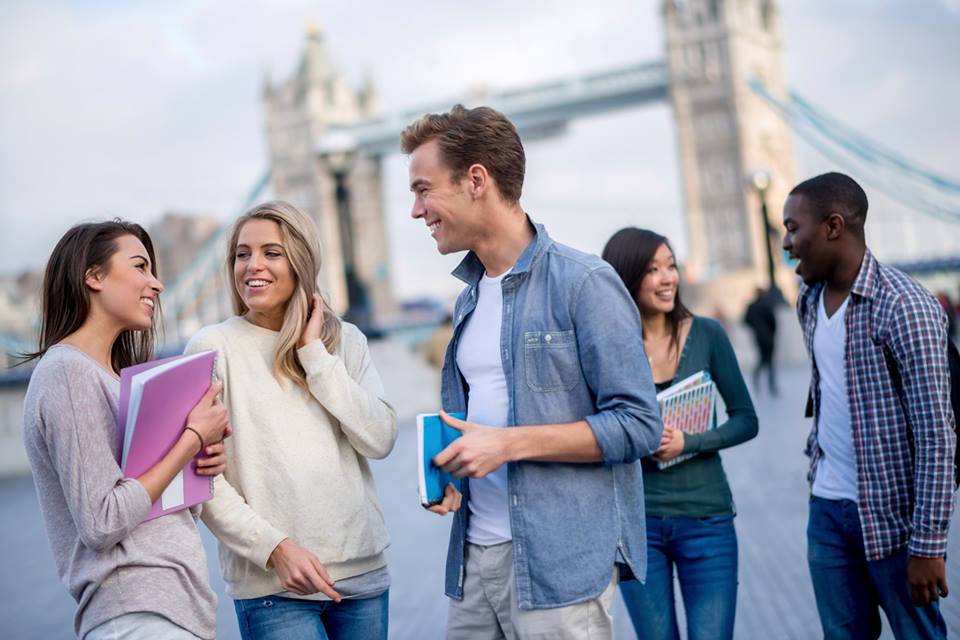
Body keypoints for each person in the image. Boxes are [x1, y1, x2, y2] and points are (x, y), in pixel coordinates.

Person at [400, 104, 662, 639]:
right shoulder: (467, 299)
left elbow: (639, 424)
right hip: (474, 559)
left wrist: (507, 444)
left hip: (557, 569)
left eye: (423, 189)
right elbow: (486, 418)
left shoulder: (585, 283)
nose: (416, 210)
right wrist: (452, 474)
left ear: (476, 180)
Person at [184, 201, 398, 640]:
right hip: (273, 588)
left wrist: (315, 355)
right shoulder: (212, 347)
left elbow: (380, 438)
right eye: (242, 254)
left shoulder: (345, 341)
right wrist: (274, 548)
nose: (252, 265)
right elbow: (202, 479)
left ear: (301, 261)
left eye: (271, 252)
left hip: (362, 579)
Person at [20, 221, 230, 639]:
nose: (157, 284)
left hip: (173, 611)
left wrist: (203, 462)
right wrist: (190, 440)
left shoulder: (118, 384)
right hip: (136, 614)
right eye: (140, 267)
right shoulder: (66, 372)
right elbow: (102, 523)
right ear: (93, 277)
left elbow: (154, 510)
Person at [783, 172, 955, 639]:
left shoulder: (905, 306)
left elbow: (937, 434)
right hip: (827, 510)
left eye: (793, 228)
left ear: (834, 226)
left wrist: (929, 545)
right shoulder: (808, 298)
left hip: (895, 520)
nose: (786, 242)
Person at [602, 227, 758, 639]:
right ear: (626, 276)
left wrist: (691, 442)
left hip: (707, 520)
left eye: (671, 266)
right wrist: (635, 440)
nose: (668, 277)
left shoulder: (708, 334)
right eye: (653, 269)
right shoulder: (609, 345)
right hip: (638, 527)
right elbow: (594, 429)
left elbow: (747, 419)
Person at [744, 286, 779, 396]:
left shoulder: (752, 306)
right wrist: (772, 332)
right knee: (769, 360)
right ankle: (771, 385)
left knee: (762, 359)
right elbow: (773, 321)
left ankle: (757, 381)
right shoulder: (766, 305)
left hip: (758, 336)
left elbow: (746, 320)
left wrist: (755, 328)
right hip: (768, 336)